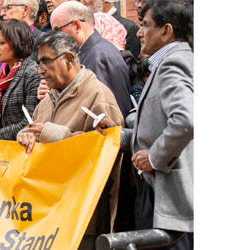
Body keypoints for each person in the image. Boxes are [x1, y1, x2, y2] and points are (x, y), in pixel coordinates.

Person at [97, 1, 194, 249]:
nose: (139, 33)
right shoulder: (170, 62)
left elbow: (186, 120)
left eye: (146, 25)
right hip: (162, 194)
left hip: (169, 196)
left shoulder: (173, 63)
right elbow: (158, 127)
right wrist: (120, 135)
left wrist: (154, 158)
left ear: (166, 30)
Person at [18, 30, 124, 250]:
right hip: (48, 213)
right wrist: (24, 137)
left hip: (84, 218)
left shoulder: (98, 95)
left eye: (46, 62)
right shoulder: (45, 103)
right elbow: (34, 133)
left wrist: (53, 134)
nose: (40, 71)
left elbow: (106, 151)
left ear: (68, 59)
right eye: (39, 63)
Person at [39, 1, 132, 118]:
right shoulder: (86, 53)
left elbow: (107, 117)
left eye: (57, 31)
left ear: (77, 26)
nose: (54, 39)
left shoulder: (100, 57)